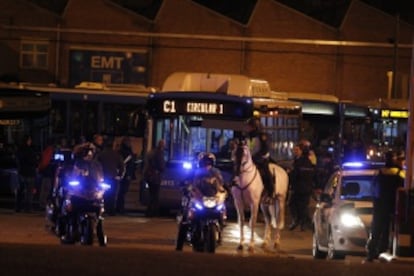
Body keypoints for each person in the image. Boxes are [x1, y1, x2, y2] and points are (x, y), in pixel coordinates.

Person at [365, 151, 405, 262]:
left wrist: (375, 201)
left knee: (376, 230)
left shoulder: (379, 172)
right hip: (393, 206)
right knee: (389, 230)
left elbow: (373, 189)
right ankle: (384, 249)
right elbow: (404, 188)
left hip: (380, 206)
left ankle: (372, 252)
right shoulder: (399, 172)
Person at [288, 143, 316, 231]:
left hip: (301, 187)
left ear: (301, 151)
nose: (295, 152)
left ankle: (299, 222)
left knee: (298, 205)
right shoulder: (304, 160)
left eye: (297, 150)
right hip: (303, 187)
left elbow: (297, 174)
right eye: (294, 150)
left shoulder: (302, 161)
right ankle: (301, 222)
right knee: (299, 205)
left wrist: (290, 173)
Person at [245, 117, 274, 198]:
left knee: (266, 173)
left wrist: (255, 157)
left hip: (261, 159)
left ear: (254, 127)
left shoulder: (263, 136)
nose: (247, 128)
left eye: (248, 126)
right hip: (249, 160)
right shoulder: (247, 136)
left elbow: (265, 149)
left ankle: (270, 191)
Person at [96, 139, 125, 216]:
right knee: (113, 195)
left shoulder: (101, 154)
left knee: (104, 194)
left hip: (103, 177)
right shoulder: (117, 155)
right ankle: (111, 211)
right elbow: (122, 167)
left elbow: (96, 165)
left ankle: (104, 209)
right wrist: (120, 176)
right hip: (113, 178)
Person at [15, 135, 39, 213]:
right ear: (27, 141)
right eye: (29, 140)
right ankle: (28, 207)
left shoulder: (20, 150)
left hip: (22, 172)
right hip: (30, 173)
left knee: (20, 190)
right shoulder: (30, 151)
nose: (30, 141)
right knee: (29, 191)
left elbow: (18, 160)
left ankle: (18, 207)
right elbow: (34, 162)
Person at [143, 139, 166, 217]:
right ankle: (153, 212)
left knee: (151, 194)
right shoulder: (159, 153)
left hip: (149, 176)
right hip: (155, 177)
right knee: (155, 195)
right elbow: (161, 166)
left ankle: (149, 211)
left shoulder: (152, 152)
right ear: (162, 145)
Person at [116, 137, 136, 214]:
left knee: (121, 192)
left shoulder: (120, 152)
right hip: (125, 174)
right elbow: (130, 164)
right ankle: (120, 208)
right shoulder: (127, 153)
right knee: (122, 192)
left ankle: (119, 207)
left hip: (123, 173)